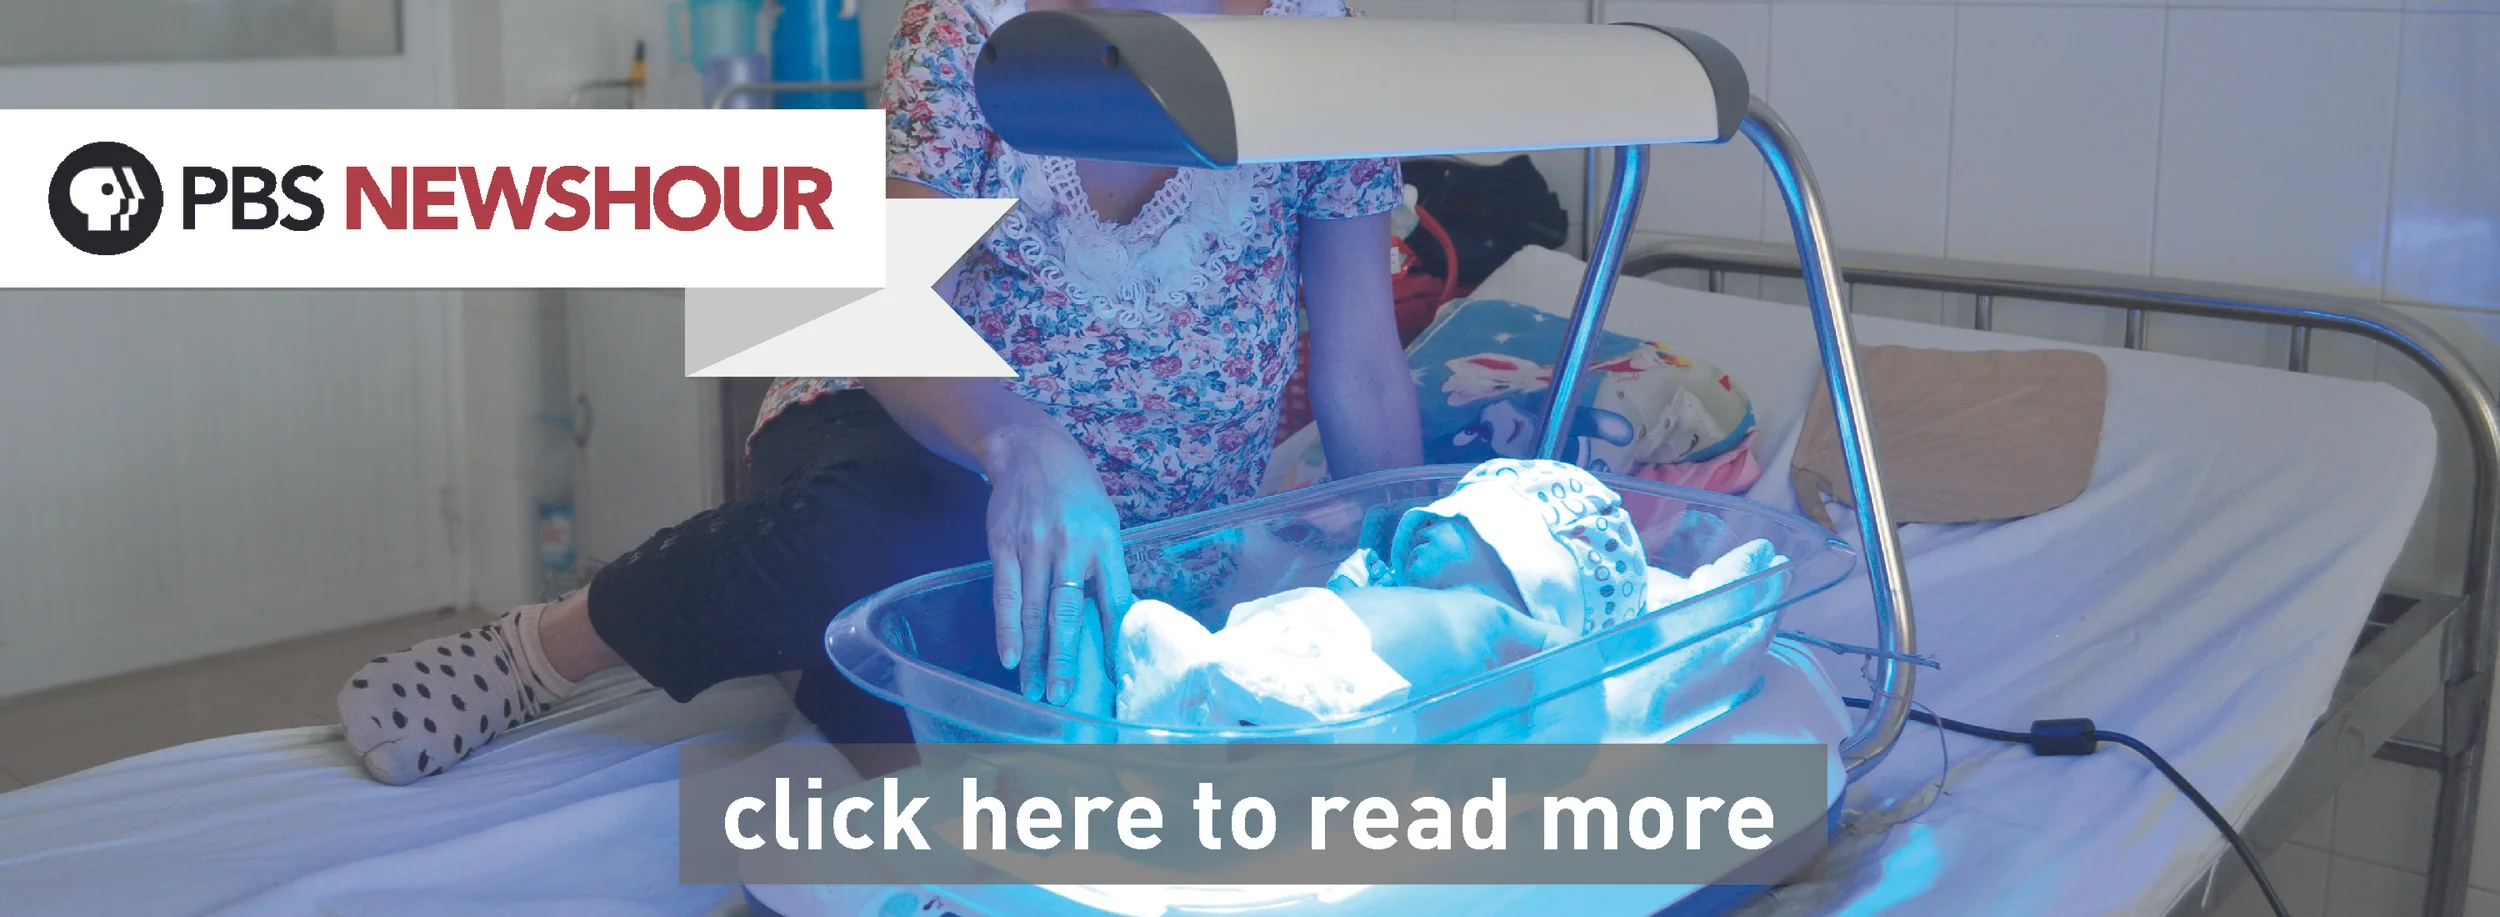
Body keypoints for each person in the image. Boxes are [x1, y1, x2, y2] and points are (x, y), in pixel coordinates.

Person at [333, 0, 1423, 785]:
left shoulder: (1319, 50)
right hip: (911, 432)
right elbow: (888, 317)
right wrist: (1017, 437)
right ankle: (543, 648)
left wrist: (1413, 566)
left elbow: (1364, 368)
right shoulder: (968, 31)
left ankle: (826, 674)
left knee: (1030, 725)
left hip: (1134, 538)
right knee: (875, 546)